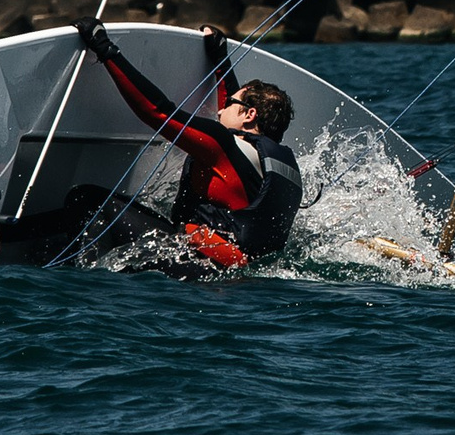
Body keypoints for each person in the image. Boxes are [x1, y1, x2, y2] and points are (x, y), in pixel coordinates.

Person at [68, 18, 302, 270]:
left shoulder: (225, 146)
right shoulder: (270, 163)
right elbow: (234, 116)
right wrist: (220, 58)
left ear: (249, 115)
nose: (220, 111)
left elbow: (157, 112)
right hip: (228, 270)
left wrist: (104, 49)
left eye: (229, 105)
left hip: (194, 263)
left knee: (88, 200)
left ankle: (86, 280)